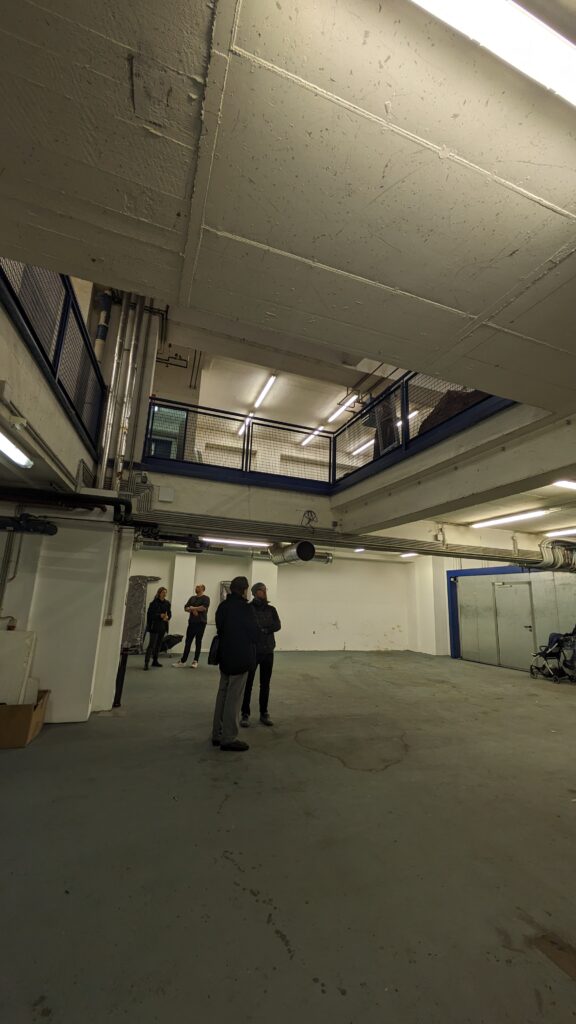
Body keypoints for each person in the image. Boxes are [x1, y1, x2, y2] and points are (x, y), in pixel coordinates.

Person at [211, 576, 259, 752]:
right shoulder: (245, 609)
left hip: (225, 656)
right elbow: (254, 633)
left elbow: (220, 627)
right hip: (240, 657)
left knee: (222, 694)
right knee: (234, 698)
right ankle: (229, 738)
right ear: (244, 590)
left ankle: (217, 733)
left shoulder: (223, 607)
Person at [241, 583, 281, 728]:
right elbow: (247, 626)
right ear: (254, 592)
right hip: (253, 651)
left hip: (268, 650)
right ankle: (245, 713)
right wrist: (264, 629)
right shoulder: (248, 609)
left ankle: (264, 712)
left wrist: (264, 630)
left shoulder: (271, 609)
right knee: (248, 683)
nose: (264, 592)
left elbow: (277, 625)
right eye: (261, 590)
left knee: (265, 684)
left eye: (265, 590)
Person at [173, 584, 210, 669]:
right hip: (192, 622)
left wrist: (193, 608)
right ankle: (183, 661)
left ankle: (195, 661)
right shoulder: (192, 598)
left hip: (201, 623)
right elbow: (185, 608)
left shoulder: (206, 598)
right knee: (188, 641)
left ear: (203, 589)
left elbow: (203, 608)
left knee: (198, 641)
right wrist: (193, 609)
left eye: (198, 587)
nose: (196, 588)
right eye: (196, 587)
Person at [144, 587, 171, 670]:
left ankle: (155, 661)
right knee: (151, 645)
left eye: (165, 592)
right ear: (159, 593)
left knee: (158, 645)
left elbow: (169, 614)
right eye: (163, 592)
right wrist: (160, 615)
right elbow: (150, 615)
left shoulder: (167, 603)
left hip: (163, 626)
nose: (164, 594)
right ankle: (146, 663)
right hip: (154, 627)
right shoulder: (153, 603)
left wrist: (167, 617)